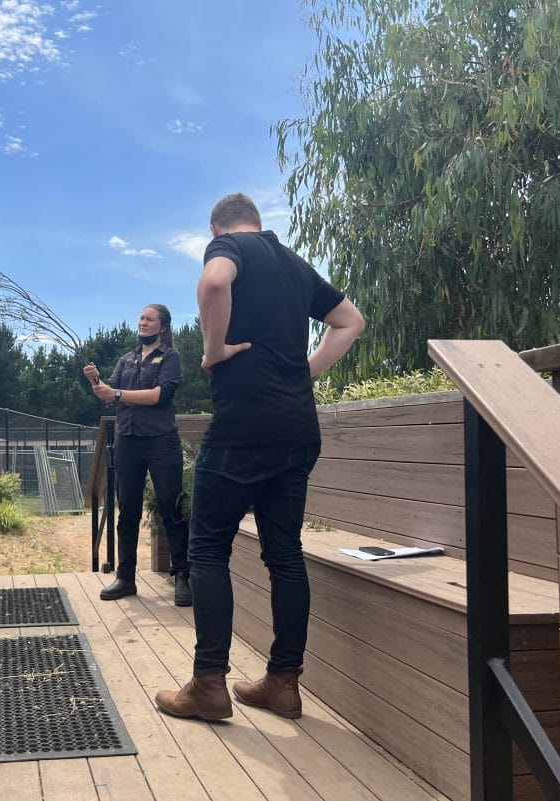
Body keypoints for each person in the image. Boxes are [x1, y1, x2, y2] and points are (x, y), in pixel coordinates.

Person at [155, 193, 365, 721]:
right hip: (297, 430)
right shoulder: (294, 264)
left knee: (206, 551)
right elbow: (351, 321)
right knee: (285, 554)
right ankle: (283, 682)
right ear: (260, 221)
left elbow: (214, 283)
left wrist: (213, 350)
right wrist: (306, 371)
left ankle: (208, 685)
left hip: (241, 431)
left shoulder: (228, 247)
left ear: (215, 226)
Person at [83, 304, 192, 606]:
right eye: (141, 318)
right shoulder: (127, 359)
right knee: (127, 510)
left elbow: (161, 395)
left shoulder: (170, 358)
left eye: (149, 319)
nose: (143, 322)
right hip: (127, 441)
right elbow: (108, 395)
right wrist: (96, 382)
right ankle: (125, 577)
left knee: (170, 506)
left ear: (162, 326)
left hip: (161, 442)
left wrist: (116, 394)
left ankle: (182, 575)